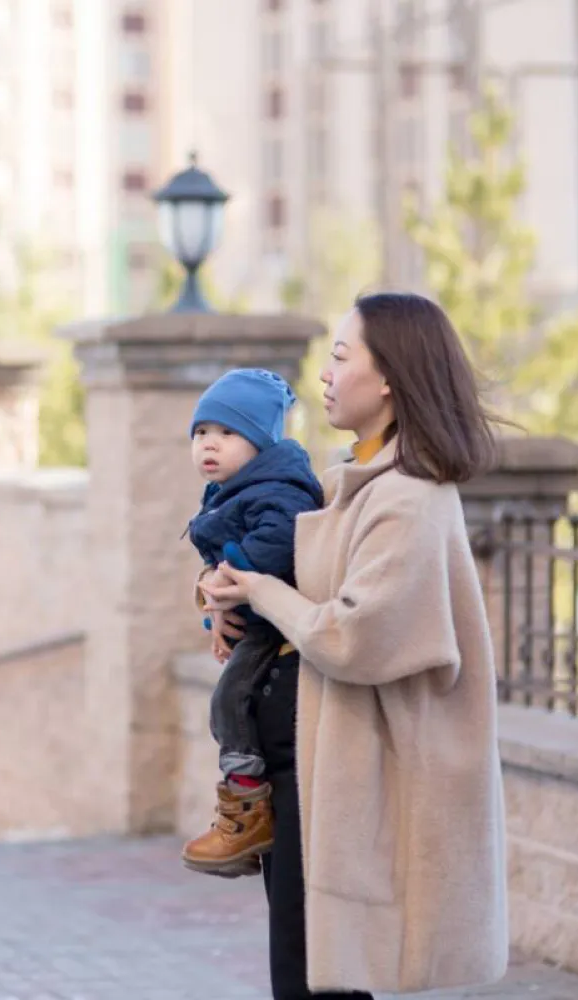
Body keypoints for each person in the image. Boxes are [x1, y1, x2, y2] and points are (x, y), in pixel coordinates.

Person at [200, 292, 510, 998]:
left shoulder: (409, 498)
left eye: (341, 358)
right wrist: (223, 600)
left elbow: (354, 635)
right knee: (304, 972)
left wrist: (258, 593)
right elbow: (286, 578)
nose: (327, 376)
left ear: (391, 376)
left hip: (347, 777)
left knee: (320, 983)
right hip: (307, 768)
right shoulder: (349, 483)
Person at [180, 368, 323, 877]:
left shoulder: (281, 489)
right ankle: (245, 817)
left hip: (278, 625)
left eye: (226, 433)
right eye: (200, 433)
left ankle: (245, 808)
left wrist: (225, 577)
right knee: (227, 705)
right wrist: (214, 607)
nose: (209, 445)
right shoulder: (236, 488)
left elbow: (277, 544)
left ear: (261, 441)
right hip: (255, 619)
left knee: (228, 701)